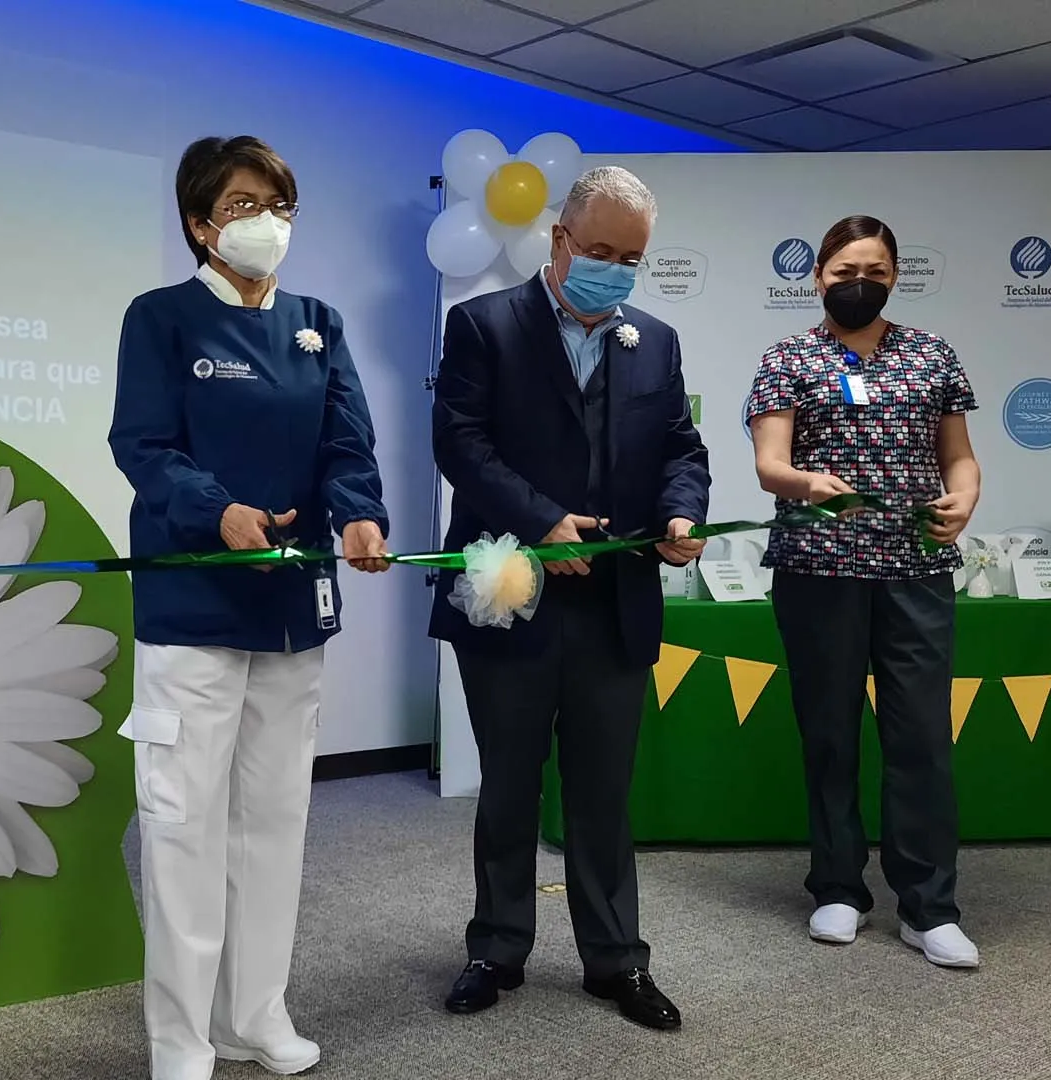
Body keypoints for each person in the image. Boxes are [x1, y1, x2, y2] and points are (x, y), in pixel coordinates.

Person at [107, 135, 389, 1080]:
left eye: (278, 203)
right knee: (184, 828)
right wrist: (215, 512)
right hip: (192, 608)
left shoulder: (319, 321)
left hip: (292, 612)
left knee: (275, 823)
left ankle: (260, 1014)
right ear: (199, 223)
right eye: (241, 204)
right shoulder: (161, 319)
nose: (265, 220)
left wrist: (360, 517)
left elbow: (349, 444)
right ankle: (181, 1041)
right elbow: (142, 447)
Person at [430, 166, 707, 1029]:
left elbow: (681, 450)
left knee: (602, 794)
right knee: (509, 785)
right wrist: (546, 521)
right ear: (559, 241)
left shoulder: (654, 340)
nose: (615, 270)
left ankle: (616, 961)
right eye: (600, 252)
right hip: (511, 593)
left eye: (631, 258)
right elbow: (460, 444)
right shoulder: (482, 324)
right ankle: (496, 947)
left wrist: (681, 511)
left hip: (614, 605)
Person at [744, 213, 983, 969]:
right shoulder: (789, 357)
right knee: (830, 733)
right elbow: (769, 464)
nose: (859, 284)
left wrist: (965, 500)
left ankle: (929, 907)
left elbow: (961, 459)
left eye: (875, 272)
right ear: (818, 277)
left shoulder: (932, 355)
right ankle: (838, 889)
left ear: (894, 277)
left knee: (920, 738)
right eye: (845, 271)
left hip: (915, 571)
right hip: (819, 570)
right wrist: (805, 482)